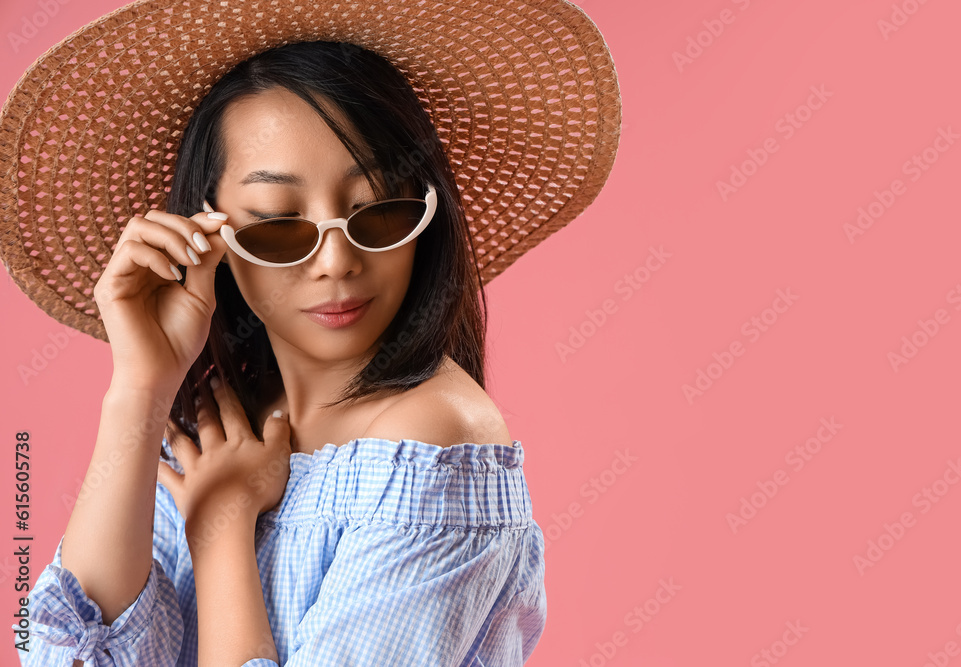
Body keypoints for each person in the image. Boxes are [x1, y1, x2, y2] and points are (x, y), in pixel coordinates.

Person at [1, 0, 621, 665]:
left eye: (378, 212)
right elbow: (61, 650)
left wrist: (220, 529)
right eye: (278, 224)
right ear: (211, 235)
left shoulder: (433, 444)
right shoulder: (219, 424)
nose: (336, 262)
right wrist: (142, 385)